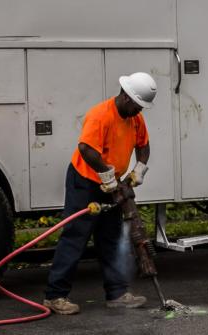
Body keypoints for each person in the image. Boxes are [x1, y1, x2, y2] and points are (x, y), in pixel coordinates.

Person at [43, 72, 157, 315]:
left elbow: (144, 146)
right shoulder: (101, 115)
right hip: (84, 181)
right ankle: (55, 296)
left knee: (111, 237)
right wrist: (106, 174)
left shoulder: (134, 119)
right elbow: (86, 149)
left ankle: (116, 294)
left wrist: (138, 170)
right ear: (126, 96)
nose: (139, 111)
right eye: (138, 105)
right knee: (76, 235)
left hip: (111, 183)